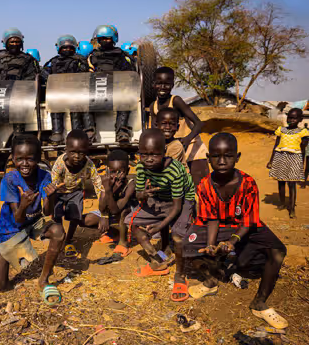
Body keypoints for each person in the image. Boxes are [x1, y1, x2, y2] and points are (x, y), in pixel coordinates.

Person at [183, 133, 288, 329]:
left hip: (242, 227)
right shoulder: (205, 184)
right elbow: (212, 219)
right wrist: (211, 246)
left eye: (228, 156)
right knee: (187, 246)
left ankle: (259, 303)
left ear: (237, 157)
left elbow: (249, 221)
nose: (222, 161)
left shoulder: (248, 183)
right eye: (216, 156)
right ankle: (211, 280)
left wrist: (232, 241)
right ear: (208, 158)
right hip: (218, 226)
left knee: (278, 250)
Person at [0, 135, 65, 305]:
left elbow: (47, 212)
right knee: (0, 286)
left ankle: (43, 280)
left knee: (58, 232)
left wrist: (51, 197)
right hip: (10, 228)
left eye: (30, 159)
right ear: (12, 158)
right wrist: (24, 204)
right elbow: (17, 219)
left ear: (38, 158)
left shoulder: (44, 176)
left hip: (33, 222)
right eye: (20, 159)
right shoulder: (10, 180)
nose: (25, 164)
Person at [128, 129, 195, 302]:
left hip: (182, 199)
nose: (149, 159)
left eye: (154, 155)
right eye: (144, 155)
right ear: (139, 154)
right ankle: (158, 260)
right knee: (132, 222)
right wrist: (142, 195)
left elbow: (177, 207)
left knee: (178, 236)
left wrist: (159, 226)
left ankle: (180, 275)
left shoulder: (175, 170)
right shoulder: (141, 167)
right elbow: (139, 193)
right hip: (160, 197)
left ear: (164, 153)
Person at [66, 150, 137, 258]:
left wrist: (108, 191)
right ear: (107, 170)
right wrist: (104, 216)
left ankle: (123, 243)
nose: (116, 176)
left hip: (127, 216)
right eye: (113, 171)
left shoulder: (130, 185)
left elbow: (116, 210)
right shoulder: (105, 181)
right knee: (84, 221)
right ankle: (113, 233)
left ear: (127, 171)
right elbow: (101, 206)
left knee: (123, 212)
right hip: (109, 211)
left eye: (120, 172)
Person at [150, 66, 209, 185]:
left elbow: (198, 123)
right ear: (153, 84)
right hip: (173, 150)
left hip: (192, 148)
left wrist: (187, 139)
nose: (162, 87)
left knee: (201, 186)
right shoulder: (154, 106)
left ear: (172, 85)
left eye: (166, 84)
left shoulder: (176, 101)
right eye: (159, 83)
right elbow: (154, 132)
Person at [51, 130, 104, 256]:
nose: (76, 156)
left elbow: (97, 183)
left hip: (76, 191)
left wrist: (103, 204)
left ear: (86, 151)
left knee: (75, 215)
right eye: (73, 152)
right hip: (59, 191)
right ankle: (59, 237)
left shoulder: (89, 165)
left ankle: (68, 240)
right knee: (57, 214)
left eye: (81, 152)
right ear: (66, 149)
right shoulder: (60, 163)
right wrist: (57, 190)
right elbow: (54, 180)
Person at [0, 28, 40, 140]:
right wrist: (1, 84)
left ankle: (18, 136)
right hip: (1, 91)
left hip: (20, 93)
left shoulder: (28, 59)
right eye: (12, 42)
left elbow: (32, 76)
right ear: (6, 43)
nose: (15, 44)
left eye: (17, 42)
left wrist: (18, 86)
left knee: (18, 106)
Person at [88, 25, 136, 143]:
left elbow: (130, 73)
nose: (104, 41)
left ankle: (122, 131)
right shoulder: (92, 56)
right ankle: (89, 132)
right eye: (102, 38)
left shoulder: (122, 55)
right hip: (98, 90)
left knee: (125, 101)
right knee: (84, 102)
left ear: (113, 39)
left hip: (118, 90)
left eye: (107, 38)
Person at [41, 35, 89, 145]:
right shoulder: (53, 61)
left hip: (76, 93)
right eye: (64, 48)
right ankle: (57, 133)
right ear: (59, 48)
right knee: (56, 108)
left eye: (70, 47)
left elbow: (84, 73)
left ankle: (76, 134)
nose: (67, 50)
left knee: (76, 110)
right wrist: (52, 79)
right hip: (59, 93)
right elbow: (43, 72)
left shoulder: (79, 60)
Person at [267, 108, 309, 218]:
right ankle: (282, 203)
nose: (291, 120)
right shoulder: (281, 130)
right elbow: (276, 146)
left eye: (294, 118)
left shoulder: (303, 132)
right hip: (280, 157)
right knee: (281, 182)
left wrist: (301, 164)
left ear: (300, 119)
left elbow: (303, 150)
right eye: (289, 117)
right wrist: (271, 161)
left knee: (292, 184)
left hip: (295, 159)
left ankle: (292, 208)